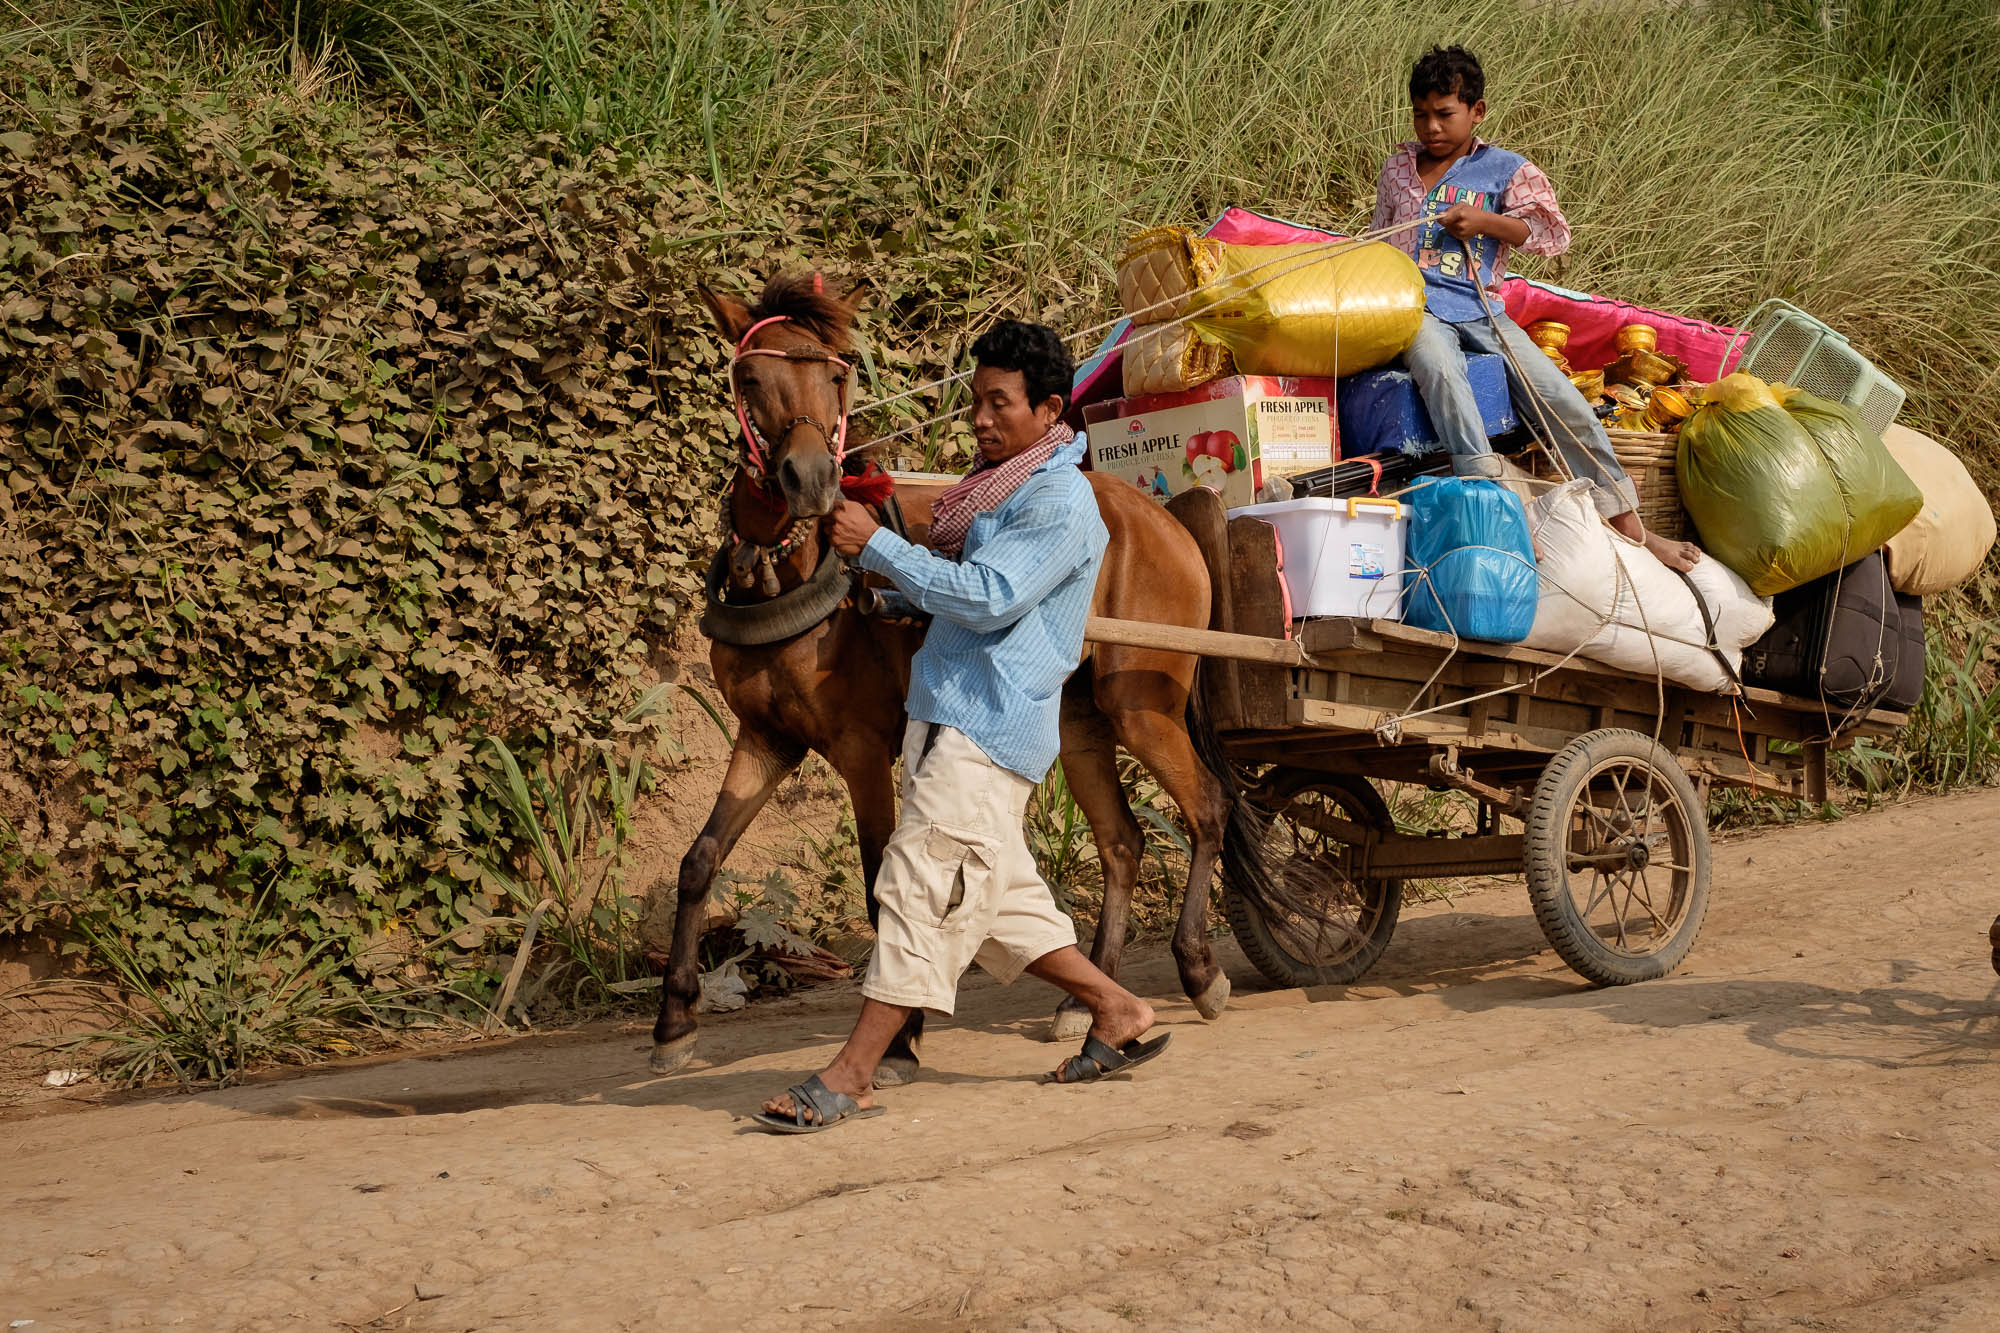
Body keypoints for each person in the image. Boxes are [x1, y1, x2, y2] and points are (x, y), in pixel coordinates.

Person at [752, 319, 1169, 1134]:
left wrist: (880, 545)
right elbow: (965, 595)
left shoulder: (1058, 500)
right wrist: (891, 589)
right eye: (975, 402)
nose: (979, 419)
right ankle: (1117, 1008)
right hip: (950, 721)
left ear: (1051, 410)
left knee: (916, 885)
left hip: (987, 729)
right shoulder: (999, 492)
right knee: (1004, 905)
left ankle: (852, 1072)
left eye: (998, 404)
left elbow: (988, 597)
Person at [1374, 44, 1701, 573]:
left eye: (1445, 113)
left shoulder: (1506, 169)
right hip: (1414, 311)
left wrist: (1485, 223)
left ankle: (1624, 517)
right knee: (1440, 370)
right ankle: (1500, 505)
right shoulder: (1399, 168)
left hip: (1483, 310)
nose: (1430, 127)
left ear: (1477, 112)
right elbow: (1378, 241)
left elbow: (1551, 234)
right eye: (1420, 114)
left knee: (1557, 397)